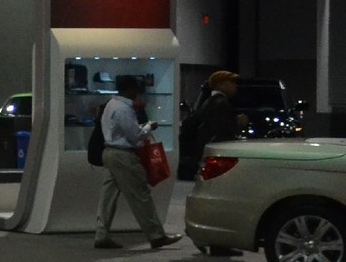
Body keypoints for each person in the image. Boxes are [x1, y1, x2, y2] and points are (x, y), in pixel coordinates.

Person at [94, 75, 181, 251]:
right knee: (141, 196)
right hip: (124, 155)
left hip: (109, 153)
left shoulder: (111, 104)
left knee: (107, 197)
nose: (138, 93)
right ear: (130, 89)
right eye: (137, 89)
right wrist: (149, 126)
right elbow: (136, 136)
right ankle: (156, 235)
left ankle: (101, 235)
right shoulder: (124, 109)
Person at [180, 70, 240, 181]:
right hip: (217, 153)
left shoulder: (208, 102)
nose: (235, 85)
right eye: (231, 82)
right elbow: (222, 130)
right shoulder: (222, 103)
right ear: (220, 84)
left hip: (204, 151)